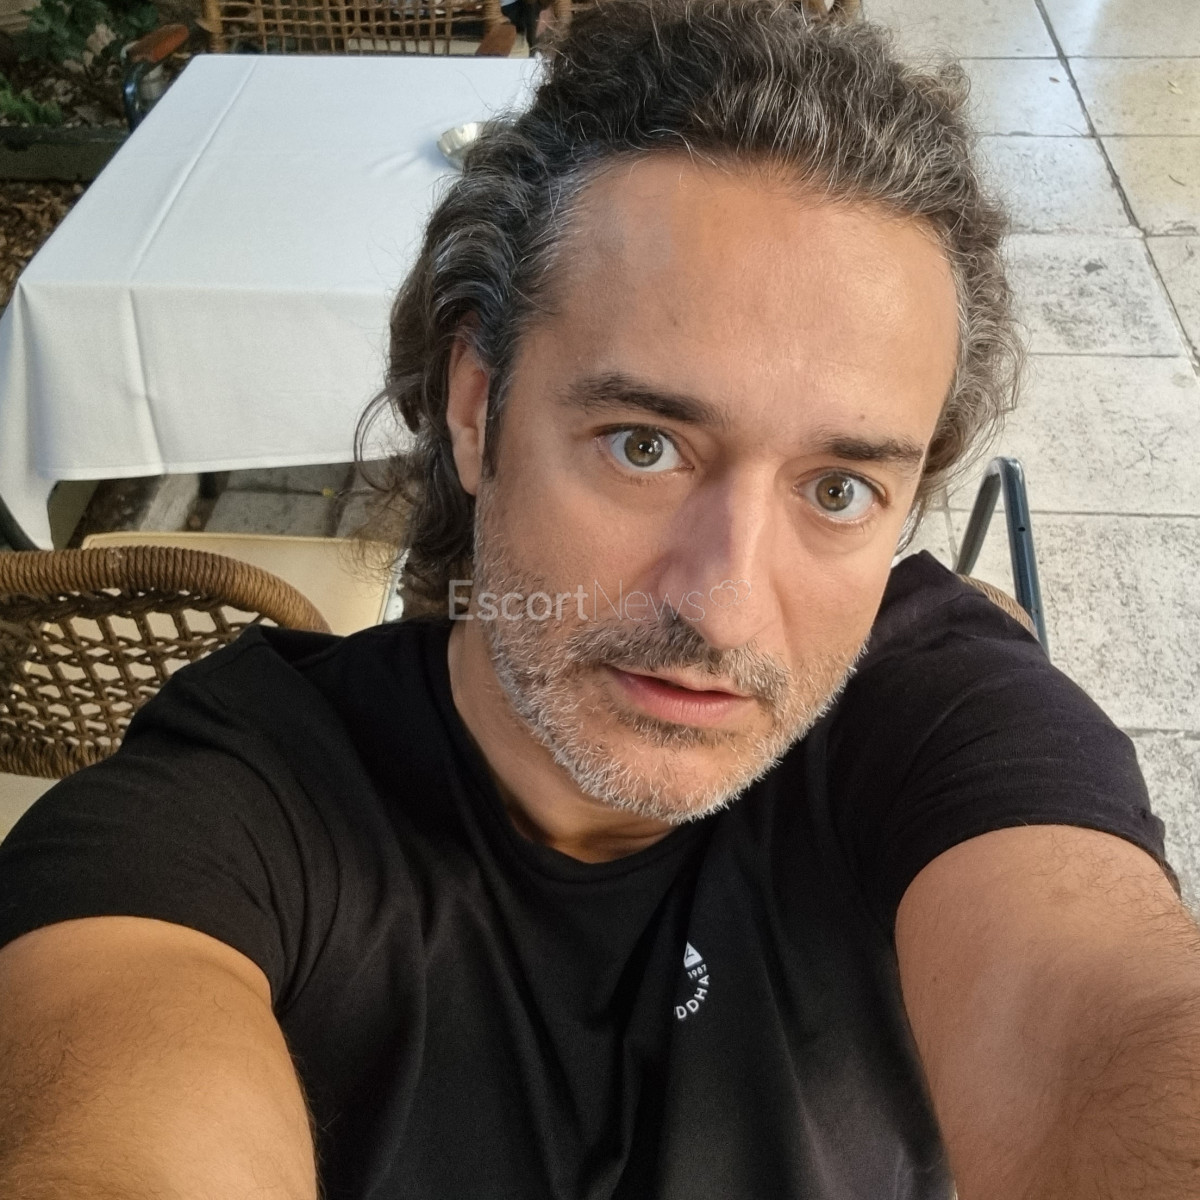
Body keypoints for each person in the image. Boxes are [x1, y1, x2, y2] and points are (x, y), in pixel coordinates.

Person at [1, 2, 1197, 1197]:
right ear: (478, 409)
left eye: (838, 489)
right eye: (643, 446)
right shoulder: (239, 803)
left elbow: (1110, 1029)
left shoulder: (942, 725)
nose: (723, 608)